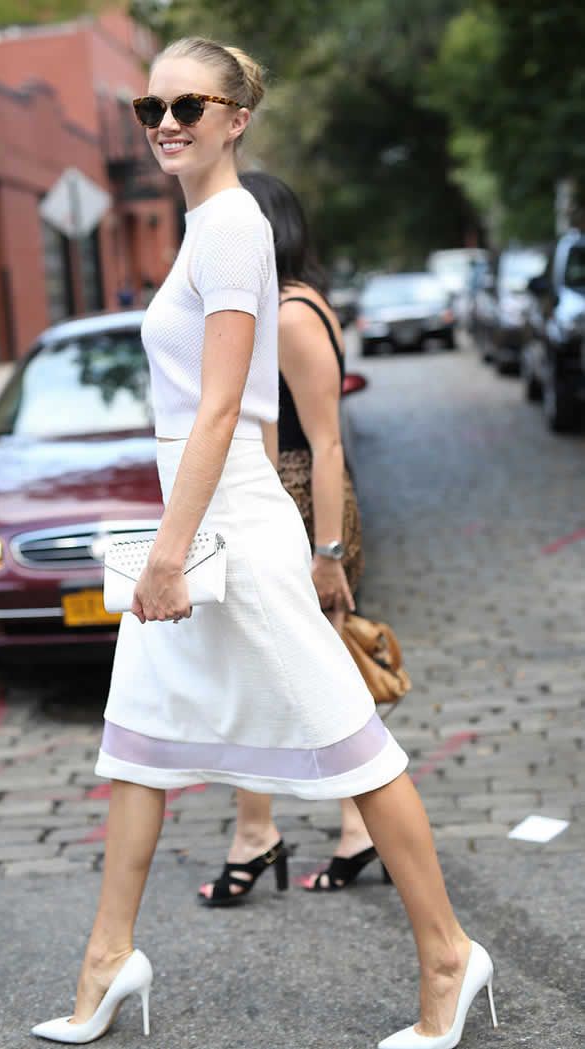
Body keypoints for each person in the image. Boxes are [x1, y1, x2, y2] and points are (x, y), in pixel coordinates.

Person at [31, 37, 496, 1049]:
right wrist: (172, 536)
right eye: (151, 106)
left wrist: (170, 550)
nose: (165, 123)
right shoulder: (202, 227)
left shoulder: (235, 225)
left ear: (236, 119)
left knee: (352, 743)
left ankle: (449, 955)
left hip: (229, 528)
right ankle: (106, 960)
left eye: (188, 106)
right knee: (135, 743)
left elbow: (219, 411)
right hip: (197, 519)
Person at [197, 170, 383, 904]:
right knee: (277, 673)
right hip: (282, 501)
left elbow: (328, 442)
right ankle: (289, 829)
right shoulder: (273, 308)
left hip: (307, 507)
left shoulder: (296, 314)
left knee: (304, 675)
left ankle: (286, 831)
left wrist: (327, 553)